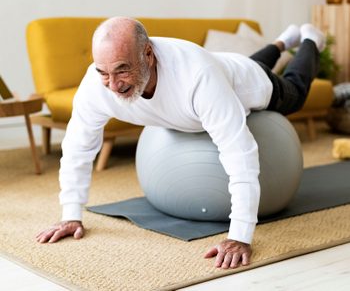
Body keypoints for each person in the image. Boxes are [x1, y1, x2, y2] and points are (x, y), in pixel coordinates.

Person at [36, 17, 325, 269]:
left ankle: (310, 38)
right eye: (103, 72)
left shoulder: (196, 77)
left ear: (147, 54)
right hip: (225, 67)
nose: (112, 84)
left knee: (294, 92)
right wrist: (70, 213)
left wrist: (239, 235)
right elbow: (77, 148)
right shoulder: (95, 85)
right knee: (252, 62)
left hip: (249, 83)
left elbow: (240, 153)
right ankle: (283, 40)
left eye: (122, 70)